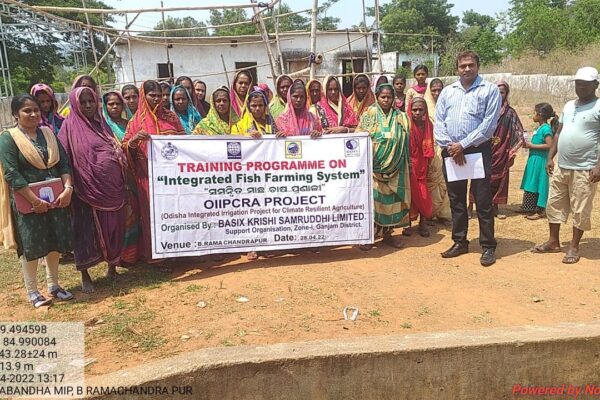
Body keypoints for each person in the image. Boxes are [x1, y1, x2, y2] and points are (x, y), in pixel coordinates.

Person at [0, 95, 74, 307]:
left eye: (35, 110)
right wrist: (34, 201)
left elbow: (64, 164)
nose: (33, 114)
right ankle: (32, 290)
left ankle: (54, 285)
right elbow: (11, 173)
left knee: (53, 241)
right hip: (27, 202)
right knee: (31, 245)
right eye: (26, 111)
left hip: (55, 198)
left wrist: (68, 188)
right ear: (16, 114)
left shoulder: (48, 134)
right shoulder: (8, 138)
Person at [434, 50, 501, 267]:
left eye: (471, 65)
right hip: (451, 152)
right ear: (457, 68)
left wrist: (463, 145)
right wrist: (451, 147)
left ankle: (488, 246)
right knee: (457, 200)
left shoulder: (489, 90)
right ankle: (460, 241)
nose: (467, 69)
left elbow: (489, 125)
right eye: (462, 66)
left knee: (482, 200)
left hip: (478, 150)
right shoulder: (447, 92)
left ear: (478, 66)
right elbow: (439, 121)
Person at [58, 87, 127, 292]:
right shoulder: (68, 128)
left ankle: (112, 268)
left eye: (91, 101)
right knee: (85, 233)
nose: (88, 105)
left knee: (113, 228)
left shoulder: (103, 125)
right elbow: (63, 160)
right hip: (84, 191)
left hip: (111, 189)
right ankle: (85, 276)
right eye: (84, 102)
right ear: (75, 104)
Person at [532, 66, 600, 264]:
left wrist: (598, 166)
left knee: (580, 208)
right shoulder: (569, 105)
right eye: (578, 84)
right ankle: (554, 242)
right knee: (555, 203)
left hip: (585, 168)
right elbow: (558, 133)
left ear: (595, 85)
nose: (580, 88)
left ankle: (574, 246)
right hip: (562, 165)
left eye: (585, 85)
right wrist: (550, 157)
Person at [123, 80, 185, 262]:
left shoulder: (171, 117)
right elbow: (125, 146)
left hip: (173, 177)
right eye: (153, 95)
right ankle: (159, 256)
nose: (157, 99)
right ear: (144, 95)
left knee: (176, 212)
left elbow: (185, 141)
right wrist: (134, 141)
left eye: (160, 95)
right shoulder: (136, 122)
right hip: (147, 178)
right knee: (154, 216)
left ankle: (179, 251)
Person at [358, 83, 411, 250]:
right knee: (374, 201)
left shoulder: (400, 116)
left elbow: (406, 139)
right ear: (377, 96)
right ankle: (371, 236)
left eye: (389, 97)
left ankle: (388, 235)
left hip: (396, 167)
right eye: (383, 97)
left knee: (393, 201)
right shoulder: (369, 114)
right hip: (375, 168)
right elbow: (361, 137)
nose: (386, 100)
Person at [468, 80, 524, 220]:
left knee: (499, 178)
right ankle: (470, 206)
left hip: (501, 149)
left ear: (506, 94)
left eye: (502, 92)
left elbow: (519, 132)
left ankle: (495, 207)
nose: (499, 95)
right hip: (481, 147)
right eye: (497, 92)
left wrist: (512, 152)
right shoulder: (483, 109)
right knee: (477, 177)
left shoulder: (510, 113)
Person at [519, 103, 558, 220]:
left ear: (540, 115)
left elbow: (550, 145)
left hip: (541, 160)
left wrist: (531, 145)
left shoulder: (545, 128)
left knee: (540, 183)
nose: (533, 114)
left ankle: (541, 210)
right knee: (532, 181)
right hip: (534, 159)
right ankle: (529, 207)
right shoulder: (539, 128)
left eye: (535, 112)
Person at [423, 78, 451, 225]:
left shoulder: (448, 104)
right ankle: (429, 213)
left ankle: (444, 213)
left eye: (439, 89)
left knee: (446, 180)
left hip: (446, 146)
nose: (437, 93)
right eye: (434, 90)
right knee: (431, 180)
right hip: (430, 147)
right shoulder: (423, 106)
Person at [405, 97, 434, 237]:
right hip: (409, 164)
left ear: (425, 110)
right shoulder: (405, 125)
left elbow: (430, 146)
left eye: (420, 110)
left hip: (423, 165)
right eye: (414, 109)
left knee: (423, 194)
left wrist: (428, 163)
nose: (417, 112)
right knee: (409, 194)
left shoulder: (429, 125)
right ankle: (408, 224)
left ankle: (423, 222)